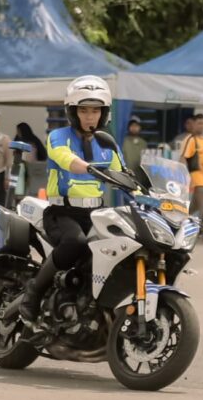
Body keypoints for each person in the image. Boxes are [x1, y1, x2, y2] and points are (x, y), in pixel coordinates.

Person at [14, 76, 122, 316]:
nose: (89, 116)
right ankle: (34, 291)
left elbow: (122, 173)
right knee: (75, 242)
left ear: (104, 113)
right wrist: (90, 167)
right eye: (83, 110)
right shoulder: (58, 136)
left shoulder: (107, 143)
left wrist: (146, 191)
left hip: (96, 213)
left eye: (95, 110)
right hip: (62, 212)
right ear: (73, 111)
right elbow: (66, 159)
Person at [178, 111, 203, 222]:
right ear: (194, 124)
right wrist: (183, 177)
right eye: (199, 123)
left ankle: (179, 221)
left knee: (195, 206)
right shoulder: (191, 140)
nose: (202, 126)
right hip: (197, 178)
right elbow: (183, 158)